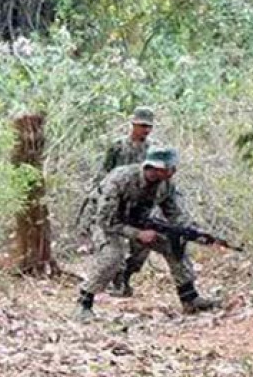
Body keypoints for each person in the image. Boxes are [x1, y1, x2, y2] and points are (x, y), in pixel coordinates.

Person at [75, 146, 221, 320]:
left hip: (137, 222)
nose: (174, 171)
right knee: (113, 256)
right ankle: (84, 303)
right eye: (170, 168)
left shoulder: (165, 185)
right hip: (103, 221)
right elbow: (106, 221)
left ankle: (190, 298)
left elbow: (175, 215)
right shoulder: (120, 180)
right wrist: (137, 234)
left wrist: (194, 232)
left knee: (173, 245)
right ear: (156, 168)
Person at [79, 106, 156, 296]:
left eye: (149, 126)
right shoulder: (118, 147)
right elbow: (104, 173)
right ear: (133, 124)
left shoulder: (153, 150)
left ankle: (126, 277)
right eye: (142, 125)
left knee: (142, 246)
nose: (146, 130)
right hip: (114, 200)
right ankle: (116, 280)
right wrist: (95, 199)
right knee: (115, 244)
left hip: (139, 204)